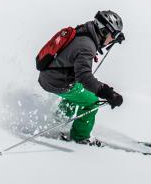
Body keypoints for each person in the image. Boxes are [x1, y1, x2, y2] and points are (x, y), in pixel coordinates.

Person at [38, 10, 125, 145]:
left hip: (50, 75)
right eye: (113, 35)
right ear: (104, 31)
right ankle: (81, 137)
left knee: (79, 92)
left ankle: (58, 121)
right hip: (57, 81)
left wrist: (112, 38)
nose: (113, 39)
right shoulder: (86, 46)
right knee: (92, 102)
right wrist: (107, 92)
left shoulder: (85, 30)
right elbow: (84, 77)